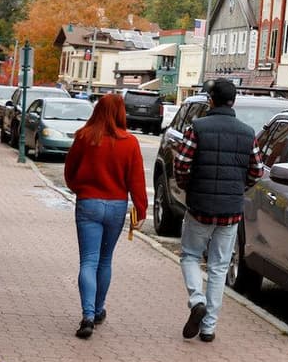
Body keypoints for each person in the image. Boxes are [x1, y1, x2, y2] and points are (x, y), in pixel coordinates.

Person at [169, 77, 264, 343]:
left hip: (199, 207)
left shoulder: (197, 128)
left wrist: (191, 188)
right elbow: (257, 171)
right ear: (233, 101)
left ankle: (196, 299)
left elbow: (181, 165)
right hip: (231, 211)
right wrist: (238, 187)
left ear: (211, 100)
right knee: (219, 267)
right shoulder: (248, 133)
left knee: (189, 255)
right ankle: (209, 327)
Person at [62, 93, 147, 340]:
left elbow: (70, 170)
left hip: (88, 203)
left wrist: (80, 188)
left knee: (88, 260)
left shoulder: (84, 136)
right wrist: (140, 210)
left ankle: (87, 315)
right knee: (105, 260)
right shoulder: (130, 142)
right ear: (121, 113)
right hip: (117, 206)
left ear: (98, 109)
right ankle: (98, 310)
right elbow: (137, 180)